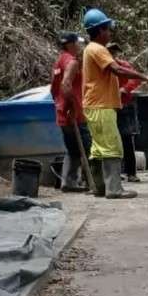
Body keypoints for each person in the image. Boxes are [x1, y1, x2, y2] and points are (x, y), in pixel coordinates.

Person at [81, 9, 148, 198]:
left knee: (98, 149)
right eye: (108, 29)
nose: (110, 33)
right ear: (100, 30)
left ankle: (99, 187)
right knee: (113, 147)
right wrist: (145, 77)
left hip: (94, 106)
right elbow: (117, 69)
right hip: (101, 106)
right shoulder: (98, 49)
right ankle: (114, 189)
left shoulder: (90, 49)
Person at [50, 32, 90, 192]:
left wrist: (60, 105)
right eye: (77, 43)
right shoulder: (71, 62)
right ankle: (92, 181)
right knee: (88, 148)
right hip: (73, 114)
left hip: (62, 112)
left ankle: (68, 182)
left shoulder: (58, 61)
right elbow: (65, 85)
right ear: (71, 44)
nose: (80, 46)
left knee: (72, 150)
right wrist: (73, 107)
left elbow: (54, 88)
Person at [108, 43, 142, 184]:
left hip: (124, 106)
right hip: (107, 107)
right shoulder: (101, 67)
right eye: (110, 51)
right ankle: (115, 172)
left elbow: (135, 78)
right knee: (110, 142)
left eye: (114, 52)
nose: (113, 54)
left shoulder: (123, 66)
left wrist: (125, 89)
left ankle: (131, 173)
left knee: (127, 139)